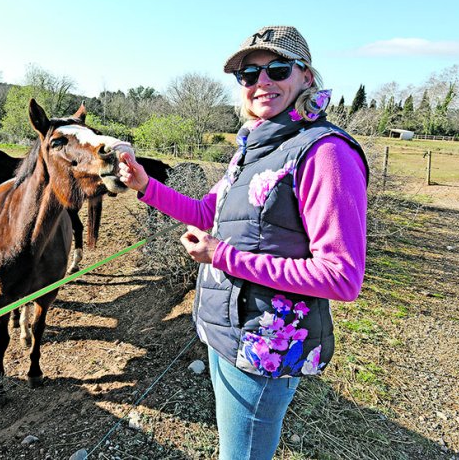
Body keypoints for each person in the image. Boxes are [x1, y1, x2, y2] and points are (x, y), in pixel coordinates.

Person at [118, 25, 368, 459]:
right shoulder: (254, 148)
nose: (262, 82)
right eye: (249, 76)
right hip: (230, 334)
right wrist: (145, 186)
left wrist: (222, 256)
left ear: (306, 77)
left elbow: (341, 277)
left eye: (277, 68)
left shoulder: (325, 153)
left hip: (266, 349)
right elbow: (207, 213)